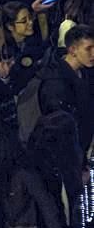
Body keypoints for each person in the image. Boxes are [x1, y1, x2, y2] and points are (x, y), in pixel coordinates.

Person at [37, 24, 94, 152]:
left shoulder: (86, 72)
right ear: (73, 50)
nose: (93, 54)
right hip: (68, 154)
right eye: (88, 49)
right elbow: (58, 128)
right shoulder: (55, 84)